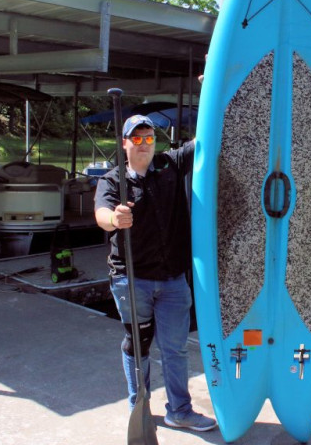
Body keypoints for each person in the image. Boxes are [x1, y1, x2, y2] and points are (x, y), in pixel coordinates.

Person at [94, 114, 216, 432]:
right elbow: (102, 214)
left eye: (149, 138)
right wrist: (114, 219)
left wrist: (211, 82)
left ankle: (180, 410)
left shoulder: (170, 164)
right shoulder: (113, 180)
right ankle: (140, 409)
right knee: (138, 345)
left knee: (175, 347)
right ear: (125, 144)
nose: (144, 144)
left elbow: (207, 138)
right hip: (132, 279)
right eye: (137, 138)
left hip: (173, 279)